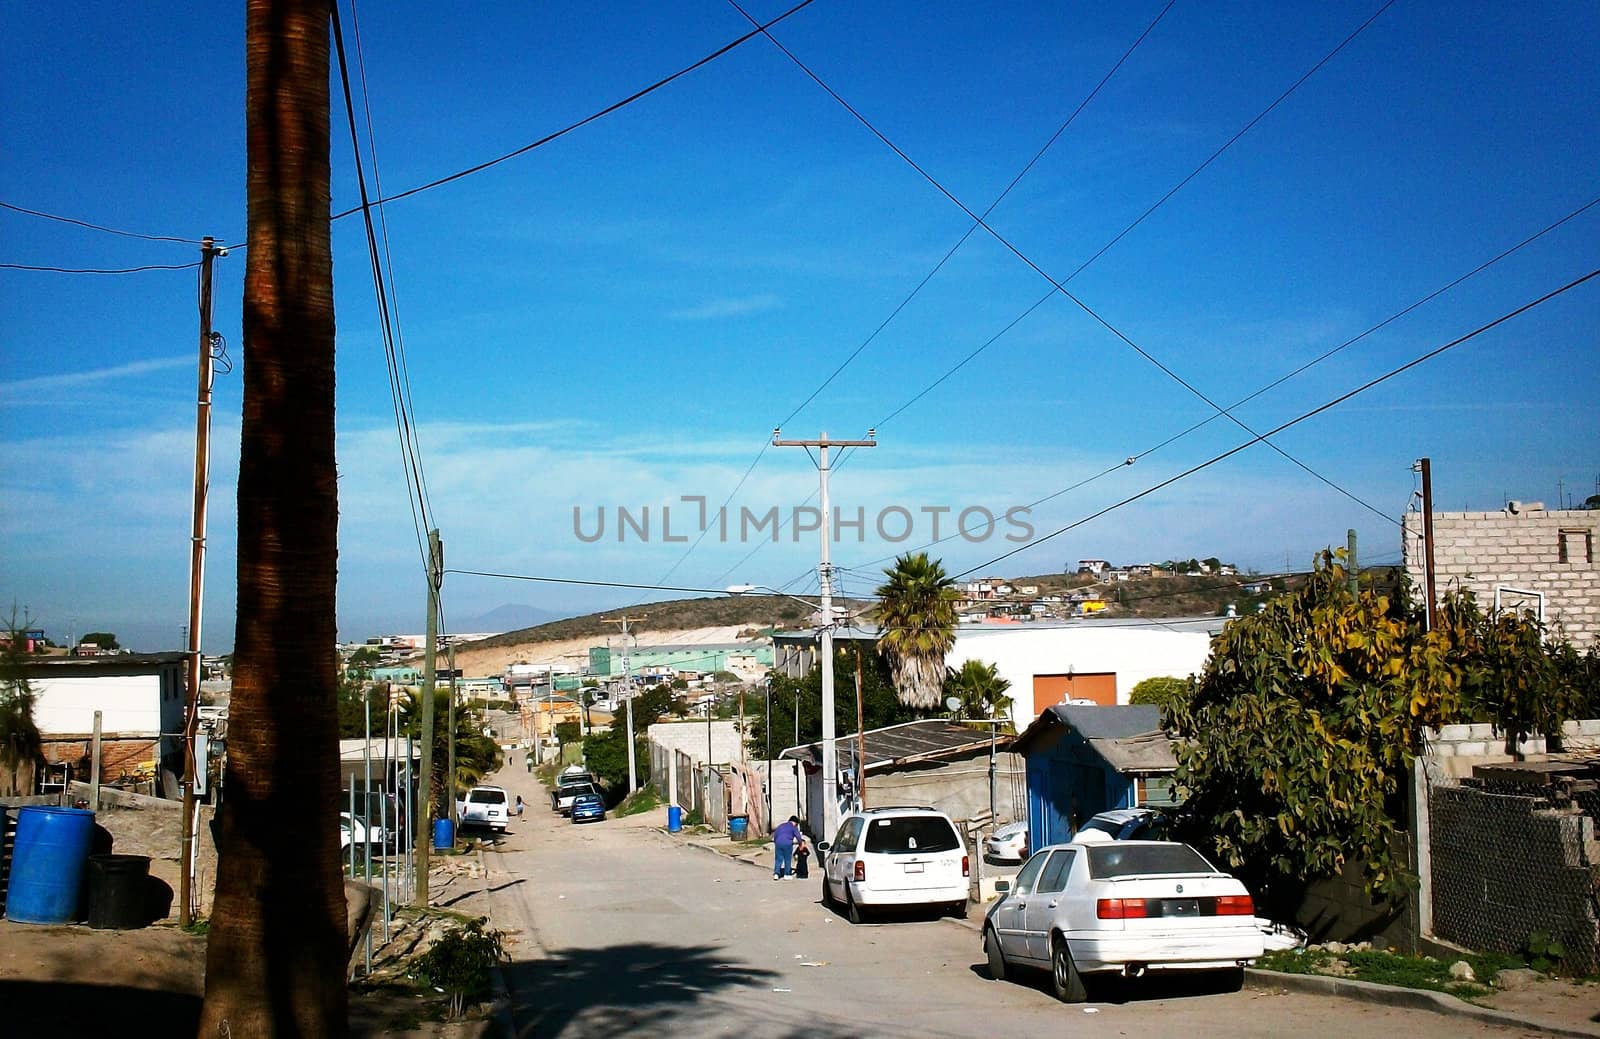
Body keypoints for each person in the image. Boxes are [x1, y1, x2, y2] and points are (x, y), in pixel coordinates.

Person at [772, 815, 801, 880]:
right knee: (787, 859)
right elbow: (798, 836)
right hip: (787, 843)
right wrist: (800, 843)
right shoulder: (793, 827)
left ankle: (776, 874)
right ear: (795, 822)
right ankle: (787, 874)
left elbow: (775, 834)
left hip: (778, 843)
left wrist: (776, 841)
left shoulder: (781, 825)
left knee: (778, 859)